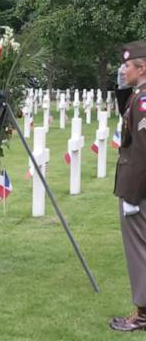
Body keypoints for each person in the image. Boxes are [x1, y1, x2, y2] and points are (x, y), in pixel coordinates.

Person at [110, 41, 146, 331]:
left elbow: (143, 149)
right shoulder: (138, 95)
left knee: (139, 250)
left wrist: (132, 195)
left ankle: (143, 315)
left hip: (139, 189)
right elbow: (126, 111)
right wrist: (123, 87)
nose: (123, 70)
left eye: (127, 66)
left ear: (142, 68)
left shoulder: (145, 99)